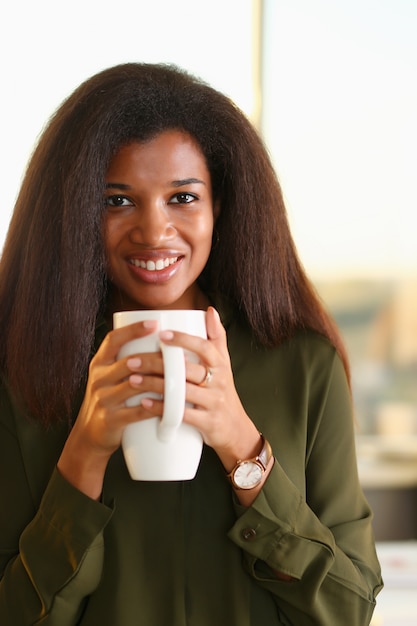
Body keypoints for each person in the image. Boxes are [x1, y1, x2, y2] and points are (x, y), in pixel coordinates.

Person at [0, 62, 382, 625]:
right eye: (116, 200)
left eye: (182, 197)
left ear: (219, 205)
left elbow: (348, 610)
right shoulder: (22, 374)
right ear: (77, 209)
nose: (154, 232)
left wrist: (243, 448)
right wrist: (83, 454)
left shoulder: (304, 365)